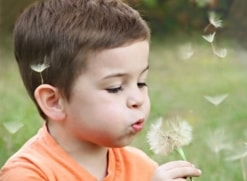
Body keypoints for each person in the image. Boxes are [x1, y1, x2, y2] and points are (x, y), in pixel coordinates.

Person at [0, 0, 202, 180]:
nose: (137, 99)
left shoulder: (141, 167)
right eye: (115, 88)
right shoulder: (28, 174)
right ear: (54, 101)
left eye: (141, 82)